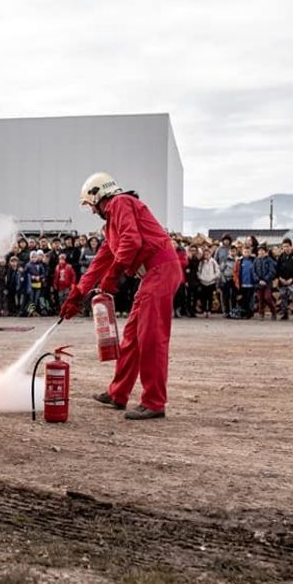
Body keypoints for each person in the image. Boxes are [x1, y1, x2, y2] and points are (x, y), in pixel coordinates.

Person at [59, 172, 183, 420]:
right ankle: (118, 393)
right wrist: (78, 293)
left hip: (160, 270)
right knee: (132, 337)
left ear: (99, 195)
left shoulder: (120, 203)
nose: (92, 211)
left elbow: (131, 241)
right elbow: (99, 263)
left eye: (91, 205)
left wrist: (113, 275)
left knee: (150, 338)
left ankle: (154, 402)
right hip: (152, 274)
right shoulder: (110, 225)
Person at [275, 238, 293, 320]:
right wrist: (280, 278)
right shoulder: (281, 257)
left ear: (291, 246)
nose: (286, 248)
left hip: (292, 280)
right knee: (283, 297)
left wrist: (292, 278)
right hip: (282, 281)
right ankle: (285, 313)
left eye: (287, 246)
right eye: (284, 246)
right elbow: (277, 269)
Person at [253, 245, 277, 320]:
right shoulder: (256, 260)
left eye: (262, 250)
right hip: (258, 283)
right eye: (259, 251)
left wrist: (265, 279)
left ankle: (273, 311)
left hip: (267, 282)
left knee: (267, 297)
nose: (261, 252)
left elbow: (272, 271)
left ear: (266, 252)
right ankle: (261, 313)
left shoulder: (269, 260)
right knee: (260, 298)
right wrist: (258, 280)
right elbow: (253, 272)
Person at [234, 245, 257, 319]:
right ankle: (244, 312)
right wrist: (237, 281)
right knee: (243, 299)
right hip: (242, 283)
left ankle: (249, 313)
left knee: (250, 299)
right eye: (245, 252)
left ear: (250, 252)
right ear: (242, 252)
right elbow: (236, 272)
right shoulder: (239, 261)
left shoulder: (253, 260)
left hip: (251, 284)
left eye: (248, 252)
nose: (246, 253)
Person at [196, 247, 220, 317]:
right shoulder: (201, 263)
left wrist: (214, 277)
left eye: (208, 254)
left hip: (211, 282)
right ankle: (204, 310)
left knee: (210, 297)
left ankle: (209, 310)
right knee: (203, 297)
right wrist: (200, 278)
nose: (206, 255)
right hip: (203, 282)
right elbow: (198, 271)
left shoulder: (213, 262)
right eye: (205, 254)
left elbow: (217, 271)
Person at [183, 245, 200, 317]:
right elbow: (185, 270)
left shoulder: (197, 259)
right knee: (188, 297)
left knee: (195, 297)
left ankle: (193, 310)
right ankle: (188, 311)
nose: (193, 252)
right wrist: (186, 281)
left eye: (194, 250)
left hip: (196, 280)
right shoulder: (187, 260)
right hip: (189, 280)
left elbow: (196, 268)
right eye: (192, 250)